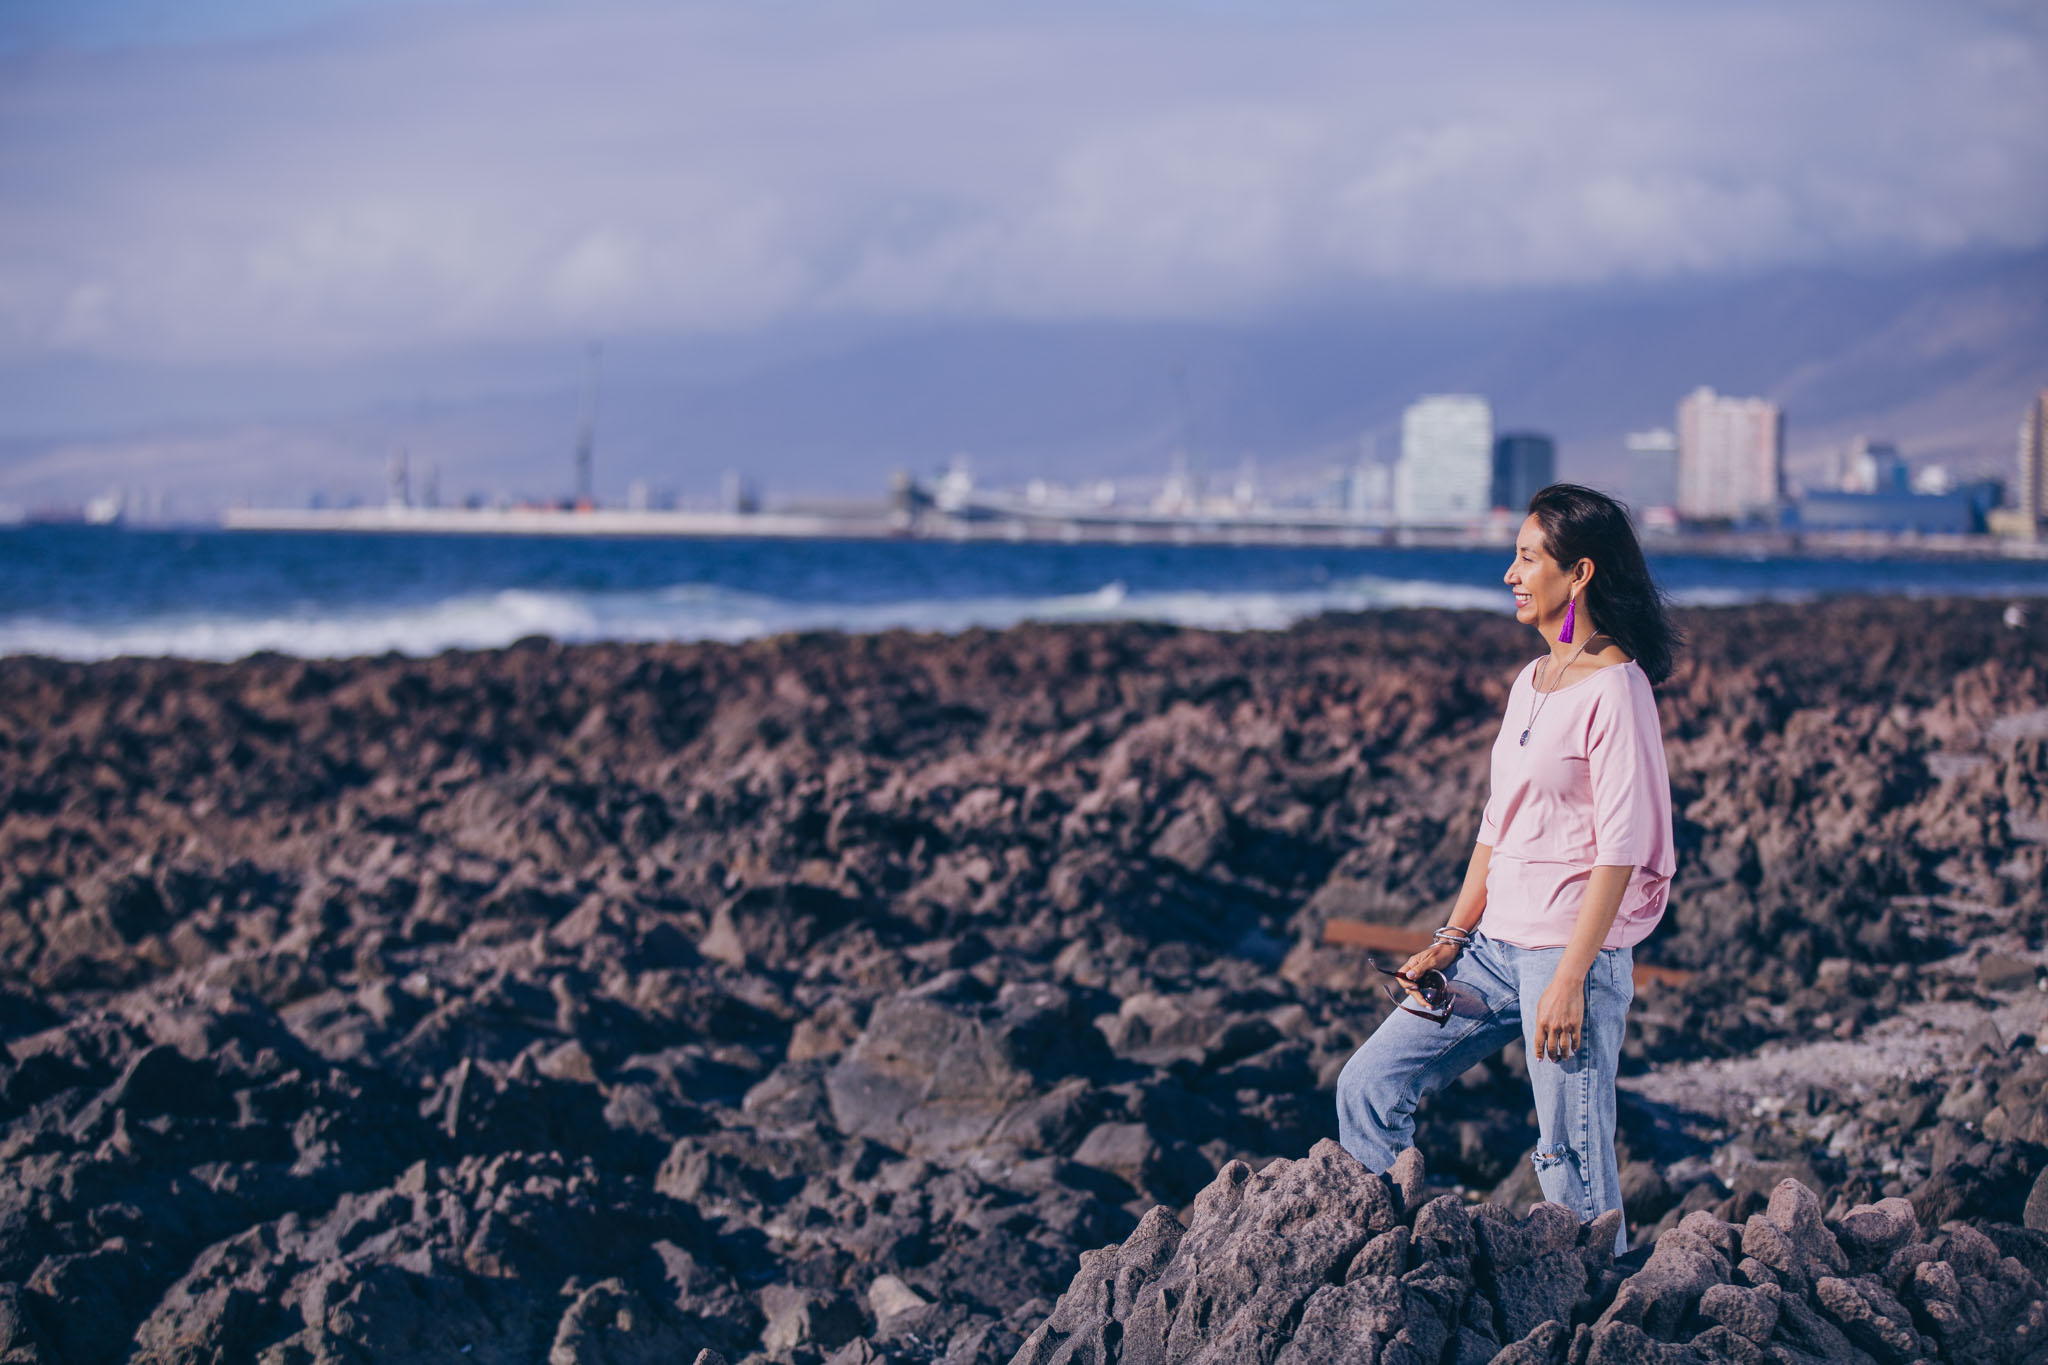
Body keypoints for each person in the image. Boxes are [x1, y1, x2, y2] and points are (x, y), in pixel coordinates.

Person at [1333, 483, 1680, 1254]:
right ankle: (1387, 1258)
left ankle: (1605, 1315)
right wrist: (1451, 936)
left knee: (1569, 1162)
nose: (1510, 573)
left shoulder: (1617, 690)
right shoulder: (1532, 680)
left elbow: (1619, 850)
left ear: (1578, 573)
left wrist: (1570, 977)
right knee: (1368, 1084)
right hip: (1491, 953)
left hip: (1566, 957)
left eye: (1527, 558)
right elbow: (1500, 821)